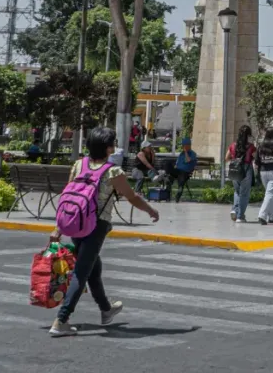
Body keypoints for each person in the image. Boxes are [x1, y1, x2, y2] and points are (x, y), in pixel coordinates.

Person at [48, 127, 160, 337]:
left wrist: (59, 227)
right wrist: (151, 210)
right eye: (113, 144)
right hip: (96, 225)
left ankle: (106, 311)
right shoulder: (112, 171)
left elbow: (69, 196)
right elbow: (132, 197)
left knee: (93, 268)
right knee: (82, 272)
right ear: (108, 148)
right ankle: (61, 320)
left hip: (76, 222)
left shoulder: (78, 164)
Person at [226, 125, 257, 223]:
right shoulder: (251, 147)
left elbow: (226, 158)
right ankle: (240, 216)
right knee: (244, 194)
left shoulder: (233, 145)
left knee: (237, 191)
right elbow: (256, 158)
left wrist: (235, 159)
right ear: (248, 135)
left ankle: (234, 210)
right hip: (246, 170)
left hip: (234, 170)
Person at [159, 138, 196, 203]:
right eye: (183, 146)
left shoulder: (192, 153)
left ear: (189, 145)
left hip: (186, 172)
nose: (183, 147)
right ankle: (166, 177)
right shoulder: (181, 154)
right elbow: (177, 163)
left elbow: (187, 160)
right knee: (168, 164)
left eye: (185, 145)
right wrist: (174, 167)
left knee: (181, 179)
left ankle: (179, 192)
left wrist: (186, 152)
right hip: (178, 171)